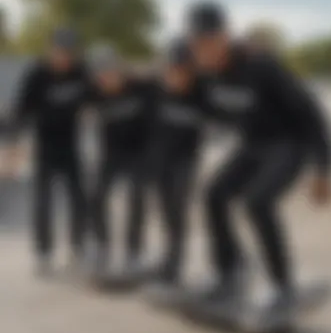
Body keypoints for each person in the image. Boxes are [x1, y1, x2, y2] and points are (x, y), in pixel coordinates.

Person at [184, 0, 331, 308]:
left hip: (288, 144)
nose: (204, 52)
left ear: (224, 37)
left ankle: (282, 285)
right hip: (252, 146)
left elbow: (311, 113)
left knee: (257, 202)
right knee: (214, 194)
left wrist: (323, 169)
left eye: (209, 43)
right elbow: (209, 112)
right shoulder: (203, 75)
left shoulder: (260, 65)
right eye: (197, 45)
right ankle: (230, 271)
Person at [6, 27, 90, 276]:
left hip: (71, 145)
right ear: (51, 50)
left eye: (69, 53)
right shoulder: (37, 75)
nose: (64, 58)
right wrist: (13, 145)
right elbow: (20, 110)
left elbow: (97, 96)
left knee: (78, 197)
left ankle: (78, 247)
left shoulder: (81, 72)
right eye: (60, 52)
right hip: (45, 146)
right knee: (43, 200)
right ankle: (44, 253)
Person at [87, 45, 156, 277]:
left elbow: (164, 81)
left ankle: (133, 251)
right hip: (111, 153)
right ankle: (101, 246)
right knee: (96, 195)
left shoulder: (141, 87)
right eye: (101, 76)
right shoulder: (94, 94)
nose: (107, 80)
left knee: (137, 197)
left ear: (120, 70)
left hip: (140, 152)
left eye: (111, 73)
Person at [150, 39, 207, 286]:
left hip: (186, 161)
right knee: (166, 212)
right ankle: (168, 259)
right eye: (171, 71)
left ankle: (175, 264)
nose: (176, 77)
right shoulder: (154, 91)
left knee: (178, 209)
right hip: (160, 161)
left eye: (182, 71)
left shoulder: (203, 94)